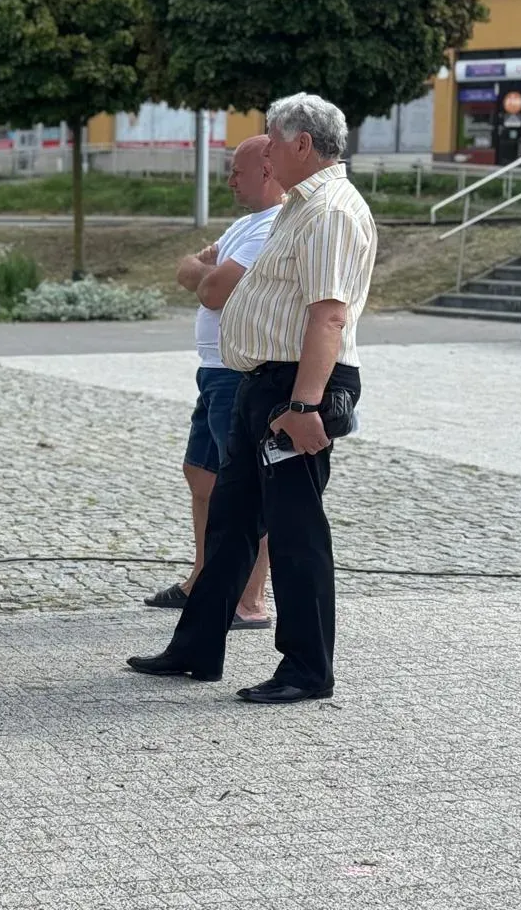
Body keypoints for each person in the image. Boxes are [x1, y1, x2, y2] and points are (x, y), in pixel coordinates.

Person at [128, 93, 375, 705]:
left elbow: (329, 317)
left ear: (301, 145)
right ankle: (197, 646)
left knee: (295, 532)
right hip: (262, 383)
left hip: (296, 389)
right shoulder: (299, 206)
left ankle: (307, 668)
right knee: (231, 522)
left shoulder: (330, 212)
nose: (263, 149)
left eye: (271, 137)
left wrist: (305, 407)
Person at [145, 135, 282, 628]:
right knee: (200, 474)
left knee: (243, 485)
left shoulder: (272, 226)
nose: (228, 181)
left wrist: (204, 271)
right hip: (213, 370)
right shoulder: (245, 224)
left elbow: (212, 290)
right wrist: (201, 271)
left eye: (236, 172)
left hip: (238, 371)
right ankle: (204, 578)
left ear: (265, 171)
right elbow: (189, 273)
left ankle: (249, 599)